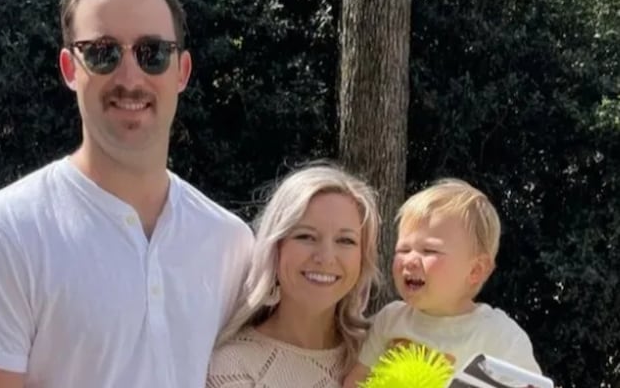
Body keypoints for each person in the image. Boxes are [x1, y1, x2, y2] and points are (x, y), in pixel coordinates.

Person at [0, 0, 254, 388]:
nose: (130, 76)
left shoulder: (231, 244)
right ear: (69, 68)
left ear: (182, 71)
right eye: (102, 53)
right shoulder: (4, 234)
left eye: (152, 53)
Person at [343, 178, 543, 388]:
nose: (410, 260)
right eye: (403, 249)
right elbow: (357, 379)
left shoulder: (499, 335)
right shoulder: (390, 320)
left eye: (429, 250)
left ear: (475, 270)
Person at [207, 163, 381, 388]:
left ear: (362, 257)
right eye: (306, 236)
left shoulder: (381, 349)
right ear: (275, 248)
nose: (326, 257)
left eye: (345, 241)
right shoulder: (232, 367)